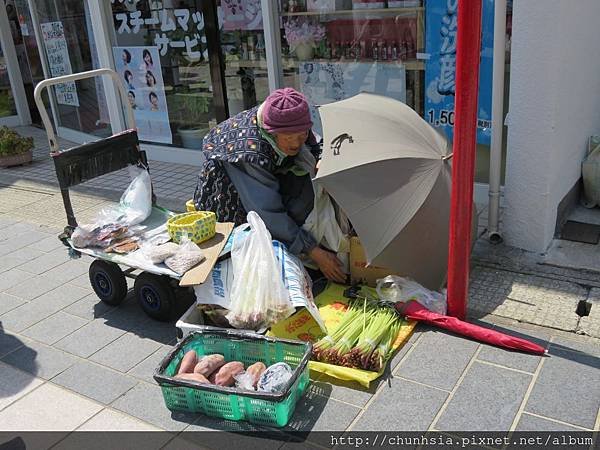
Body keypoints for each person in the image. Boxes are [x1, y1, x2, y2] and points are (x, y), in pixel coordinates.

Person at [194, 88, 345, 283]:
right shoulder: (249, 152)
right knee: (253, 252)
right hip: (228, 201)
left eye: (301, 135)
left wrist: (322, 156)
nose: (297, 143)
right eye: (289, 138)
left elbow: (312, 139)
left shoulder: (284, 119)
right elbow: (267, 213)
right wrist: (313, 251)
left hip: (263, 185)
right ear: (272, 133)